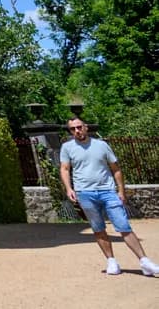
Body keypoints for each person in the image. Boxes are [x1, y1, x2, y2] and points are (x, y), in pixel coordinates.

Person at [59, 117, 159, 277]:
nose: (77, 131)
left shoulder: (102, 145)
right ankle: (111, 261)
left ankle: (144, 261)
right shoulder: (67, 147)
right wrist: (69, 188)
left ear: (85, 127)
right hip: (84, 193)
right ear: (70, 131)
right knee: (98, 228)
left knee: (123, 225)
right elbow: (64, 169)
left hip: (108, 191)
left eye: (79, 127)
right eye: (73, 129)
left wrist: (121, 191)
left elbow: (116, 168)